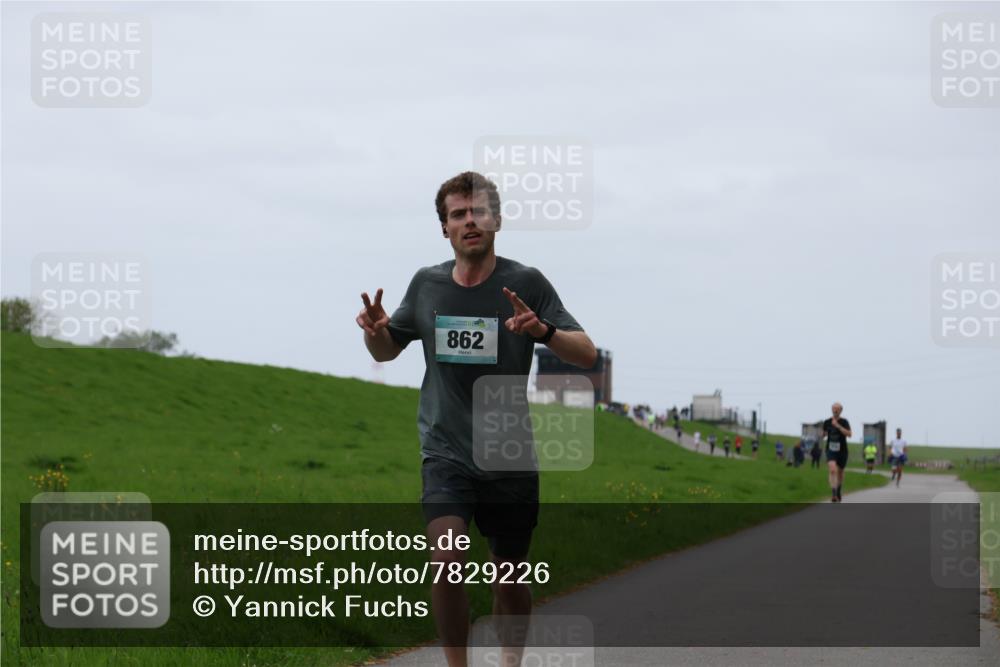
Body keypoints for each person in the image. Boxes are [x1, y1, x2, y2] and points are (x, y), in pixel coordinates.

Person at [356, 171, 596, 667]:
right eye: (459, 214)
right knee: (446, 559)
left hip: (507, 452)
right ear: (443, 227)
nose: (470, 221)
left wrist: (544, 329)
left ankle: (510, 660)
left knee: (508, 580)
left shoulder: (526, 283)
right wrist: (375, 331)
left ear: (497, 221)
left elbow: (586, 352)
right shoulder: (427, 285)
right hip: (445, 450)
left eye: (479, 212)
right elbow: (387, 347)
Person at [823, 402, 853, 502]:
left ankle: (839, 489)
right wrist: (823, 434)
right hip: (830, 449)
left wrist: (838, 426)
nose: (835, 410)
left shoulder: (844, 422)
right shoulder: (827, 422)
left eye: (837, 409)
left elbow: (849, 434)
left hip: (842, 450)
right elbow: (823, 434)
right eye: (833, 408)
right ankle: (834, 493)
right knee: (832, 470)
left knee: (840, 472)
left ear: (840, 411)